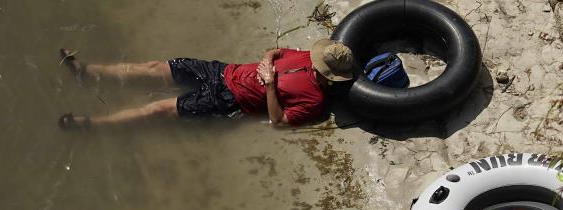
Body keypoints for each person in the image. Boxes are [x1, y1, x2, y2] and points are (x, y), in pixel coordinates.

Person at [57, 39, 355, 128]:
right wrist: (266, 62)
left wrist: (269, 85)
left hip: (229, 100)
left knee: (158, 109)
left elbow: (277, 121)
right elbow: (275, 51)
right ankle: (86, 70)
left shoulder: (315, 102)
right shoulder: (305, 55)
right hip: (222, 71)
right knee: (154, 67)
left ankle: (92, 122)